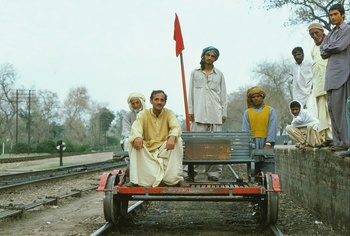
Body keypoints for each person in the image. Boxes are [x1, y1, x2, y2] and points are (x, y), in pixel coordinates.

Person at [184, 46, 228, 181]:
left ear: (215, 59)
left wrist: (223, 112)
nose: (210, 58)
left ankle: (213, 173)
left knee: (215, 144)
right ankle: (195, 171)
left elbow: (223, 95)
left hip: (216, 114)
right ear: (203, 56)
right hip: (198, 114)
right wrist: (190, 111)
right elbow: (190, 93)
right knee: (197, 144)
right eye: (208, 55)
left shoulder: (219, 74)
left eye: (213, 56)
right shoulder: (195, 73)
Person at [127, 90, 185, 187]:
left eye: (162, 100)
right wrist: (137, 137)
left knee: (178, 140)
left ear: (165, 103)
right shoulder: (143, 114)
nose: (159, 102)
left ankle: (175, 178)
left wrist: (172, 136)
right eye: (156, 99)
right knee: (133, 142)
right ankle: (135, 181)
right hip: (148, 148)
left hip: (165, 147)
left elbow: (176, 127)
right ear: (151, 101)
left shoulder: (169, 113)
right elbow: (136, 128)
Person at [320, 4, 350, 152]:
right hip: (331, 74)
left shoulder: (348, 29)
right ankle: (338, 142)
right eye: (331, 15)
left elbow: (339, 47)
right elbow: (322, 51)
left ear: (342, 15)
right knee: (331, 109)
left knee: (340, 109)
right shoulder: (331, 33)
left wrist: (328, 47)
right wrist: (329, 47)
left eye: (335, 14)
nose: (333, 17)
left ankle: (345, 141)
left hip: (342, 74)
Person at [308, 23, 333, 149]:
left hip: (330, 82)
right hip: (318, 84)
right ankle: (326, 138)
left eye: (316, 33)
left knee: (331, 110)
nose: (314, 36)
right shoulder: (313, 49)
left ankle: (335, 137)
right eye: (311, 34)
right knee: (321, 113)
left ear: (322, 32)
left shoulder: (329, 43)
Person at [242, 86, 277, 175]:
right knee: (253, 171)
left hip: (266, 143)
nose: (256, 99)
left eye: (257, 96)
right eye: (253, 97)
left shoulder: (270, 110)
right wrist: (248, 146)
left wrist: (268, 144)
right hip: (253, 144)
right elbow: (245, 131)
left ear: (262, 97)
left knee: (268, 170)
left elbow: (272, 128)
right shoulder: (247, 113)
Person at [289, 47, 314, 111]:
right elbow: (290, 77)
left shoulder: (309, 63)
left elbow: (314, 76)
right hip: (297, 93)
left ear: (303, 54)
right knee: (298, 111)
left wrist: (312, 87)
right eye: (295, 55)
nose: (297, 57)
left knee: (310, 110)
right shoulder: (293, 66)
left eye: (299, 54)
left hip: (309, 92)